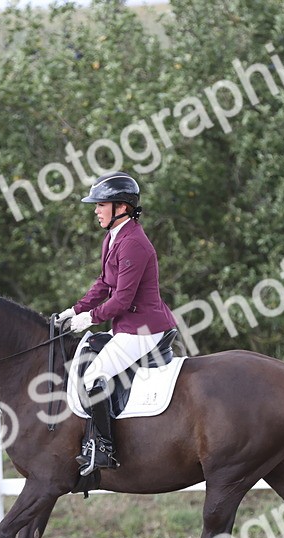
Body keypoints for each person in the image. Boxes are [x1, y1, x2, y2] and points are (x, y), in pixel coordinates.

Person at [56, 171, 177, 476]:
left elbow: (121, 299)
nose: (95, 210)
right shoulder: (113, 237)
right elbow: (103, 283)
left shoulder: (134, 243)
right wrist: (74, 309)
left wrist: (89, 319)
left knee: (94, 376)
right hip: (128, 325)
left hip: (145, 328)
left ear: (121, 207)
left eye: (101, 204)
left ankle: (104, 448)